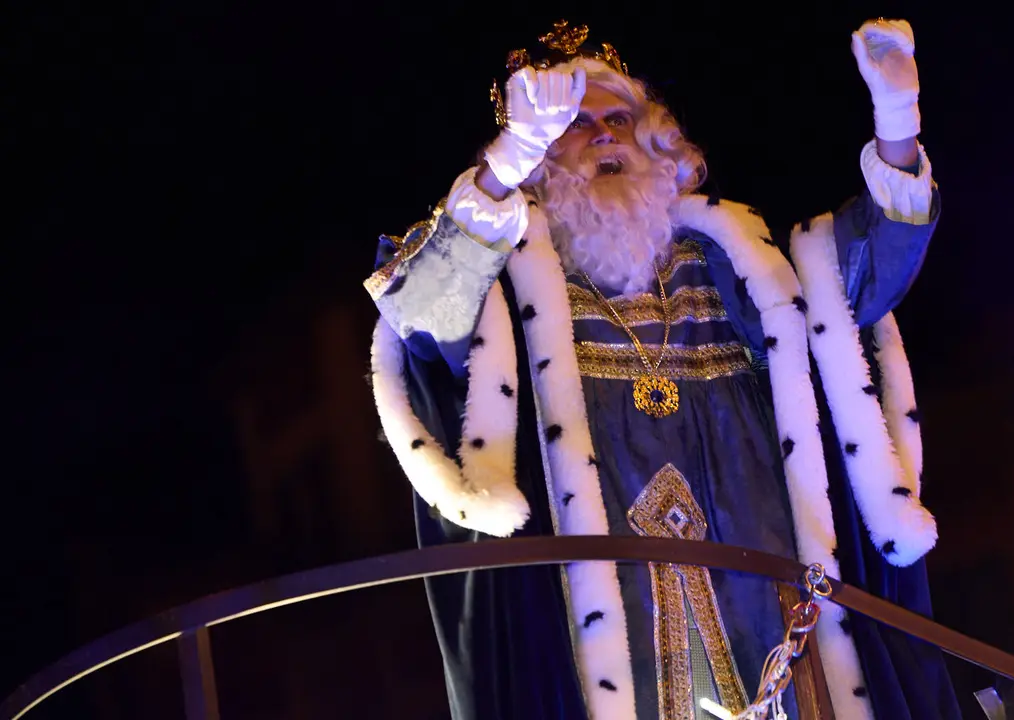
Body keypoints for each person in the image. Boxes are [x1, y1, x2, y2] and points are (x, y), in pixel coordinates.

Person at [365, 17, 959, 720]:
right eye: (573, 126)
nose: (605, 134)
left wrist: (896, 124)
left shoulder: (735, 264)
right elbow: (424, 311)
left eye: (618, 116)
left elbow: (854, 282)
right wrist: (504, 159)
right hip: (607, 651)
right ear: (539, 160)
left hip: (772, 626)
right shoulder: (509, 287)